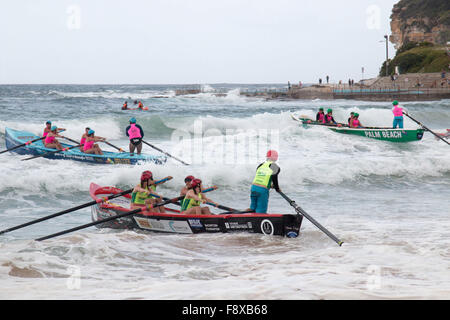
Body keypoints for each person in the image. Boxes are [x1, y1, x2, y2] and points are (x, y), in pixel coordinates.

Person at [249, 150, 281, 214]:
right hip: (262, 190)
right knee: (261, 211)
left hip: (254, 188)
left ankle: (248, 218)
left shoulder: (261, 165)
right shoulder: (274, 166)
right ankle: (258, 222)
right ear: (275, 158)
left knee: (252, 208)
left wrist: (270, 185)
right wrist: (277, 189)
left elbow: (262, 176)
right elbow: (274, 178)